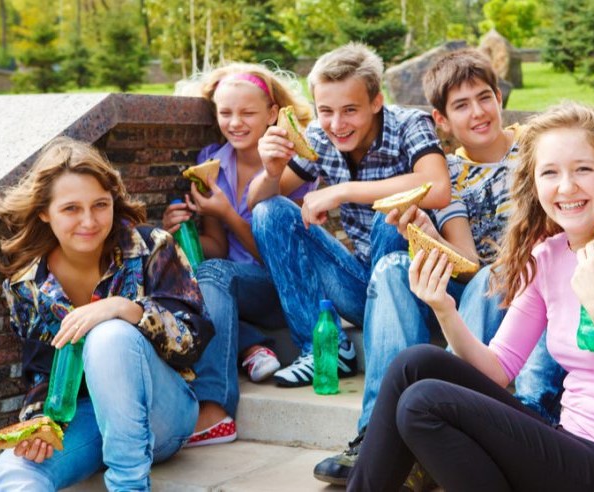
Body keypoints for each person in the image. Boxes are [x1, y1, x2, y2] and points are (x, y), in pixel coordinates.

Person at [348, 103, 594, 491]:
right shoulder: (549, 256)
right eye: (550, 173)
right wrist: (444, 308)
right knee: (415, 363)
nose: (566, 186)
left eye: (583, 169)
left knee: (423, 403)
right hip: (571, 442)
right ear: (535, 184)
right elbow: (498, 369)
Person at [314, 47, 520, 485]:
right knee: (391, 266)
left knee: (490, 275)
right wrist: (429, 232)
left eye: (485, 98)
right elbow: (467, 263)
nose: (478, 113)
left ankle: (439, 419)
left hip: (523, 292)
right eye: (461, 105)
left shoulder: (537, 153)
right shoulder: (451, 175)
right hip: (473, 289)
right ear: (441, 120)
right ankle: (375, 433)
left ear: (500, 97)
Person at [0, 137, 212, 490]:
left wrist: (126, 309)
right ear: (45, 212)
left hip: (163, 414)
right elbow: (40, 371)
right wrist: (40, 423)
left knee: (110, 334)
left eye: (100, 205)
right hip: (88, 417)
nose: (89, 221)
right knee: (12, 470)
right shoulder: (26, 285)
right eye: (71, 208)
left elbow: (192, 343)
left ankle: (128, 485)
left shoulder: (152, 248)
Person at [248, 42, 451, 387]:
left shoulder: (409, 124)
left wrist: (340, 191)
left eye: (350, 110)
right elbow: (257, 203)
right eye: (325, 110)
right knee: (271, 213)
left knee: (393, 216)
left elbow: (437, 185)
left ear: (376, 102)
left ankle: (393, 354)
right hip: (360, 286)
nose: (337, 124)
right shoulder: (319, 137)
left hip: (415, 292)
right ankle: (324, 351)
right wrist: (270, 171)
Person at [163, 62, 315, 446]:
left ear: (272, 114)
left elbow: (278, 260)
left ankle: (214, 407)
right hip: (230, 286)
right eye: (225, 113)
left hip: (284, 290)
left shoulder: (295, 162)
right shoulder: (213, 158)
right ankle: (248, 342)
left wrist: (226, 212)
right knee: (181, 267)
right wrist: (182, 230)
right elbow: (214, 248)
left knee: (213, 273)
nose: (235, 123)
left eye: (248, 113)